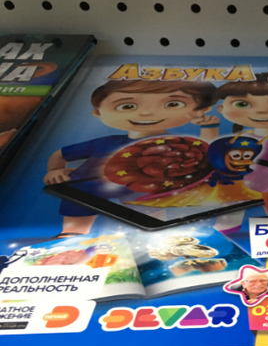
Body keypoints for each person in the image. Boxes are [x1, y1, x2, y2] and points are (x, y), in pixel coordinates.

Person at [43, 80, 219, 236]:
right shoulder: (104, 142)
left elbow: (207, 155)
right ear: (97, 112)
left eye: (173, 104)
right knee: (76, 216)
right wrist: (54, 171)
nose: (147, 113)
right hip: (89, 187)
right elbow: (60, 154)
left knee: (152, 220)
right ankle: (73, 234)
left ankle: (155, 233)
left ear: (201, 110)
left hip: (145, 190)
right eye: (127, 106)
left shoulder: (180, 143)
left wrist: (209, 128)